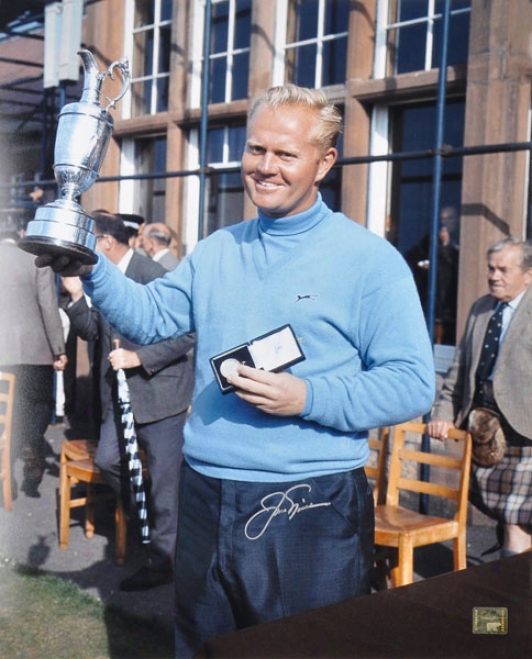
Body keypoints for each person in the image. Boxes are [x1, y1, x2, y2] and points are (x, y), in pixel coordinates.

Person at [37, 84, 435, 657]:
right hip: (206, 493)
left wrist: (307, 396)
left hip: (309, 506)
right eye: (255, 150)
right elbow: (151, 318)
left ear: (325, 163)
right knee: (203, 647)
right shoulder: (219, 249)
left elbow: (412, 383)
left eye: (284, 154)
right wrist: (91, 267)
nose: (264, 167)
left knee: (304, 649)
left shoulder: (370, 262)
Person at [62, 211, 195, 591]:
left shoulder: (153, 274)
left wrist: (140, 358)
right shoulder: (102, 275)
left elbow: (188, 333)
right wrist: (75, 298)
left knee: (166, 484)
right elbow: (93, 332)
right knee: (108, 459)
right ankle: (147, 529)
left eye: (88, 241)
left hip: (161, 394)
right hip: (118, 399)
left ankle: (165, 560)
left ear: (105, 242)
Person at [428, 237, 532, 558]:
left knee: (516, 524)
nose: (493, 276)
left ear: (528, 274)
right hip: (483, 433)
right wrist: (443, 411)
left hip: (525, 434)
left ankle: (505, 605)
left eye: (503, 269)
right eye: (490, 268)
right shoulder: (480, 309)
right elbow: (458, 371)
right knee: (506, 520)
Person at [0, 228, 67, 498]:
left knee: (5, 415)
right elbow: (48, 306)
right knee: (37, 407)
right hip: (35, 351)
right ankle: (32, 460)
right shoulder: (35, 258)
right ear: (20, 233)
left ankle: (6, 478)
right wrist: (58, 348)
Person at [406, 205, 460, 344]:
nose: (444, 222)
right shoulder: (430, 241)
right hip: (433, 306)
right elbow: (412, 256)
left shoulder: (463, 240)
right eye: (442, 219)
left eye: (449, 218)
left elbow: (454, 269)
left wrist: (447, 247)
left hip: (453, 306)